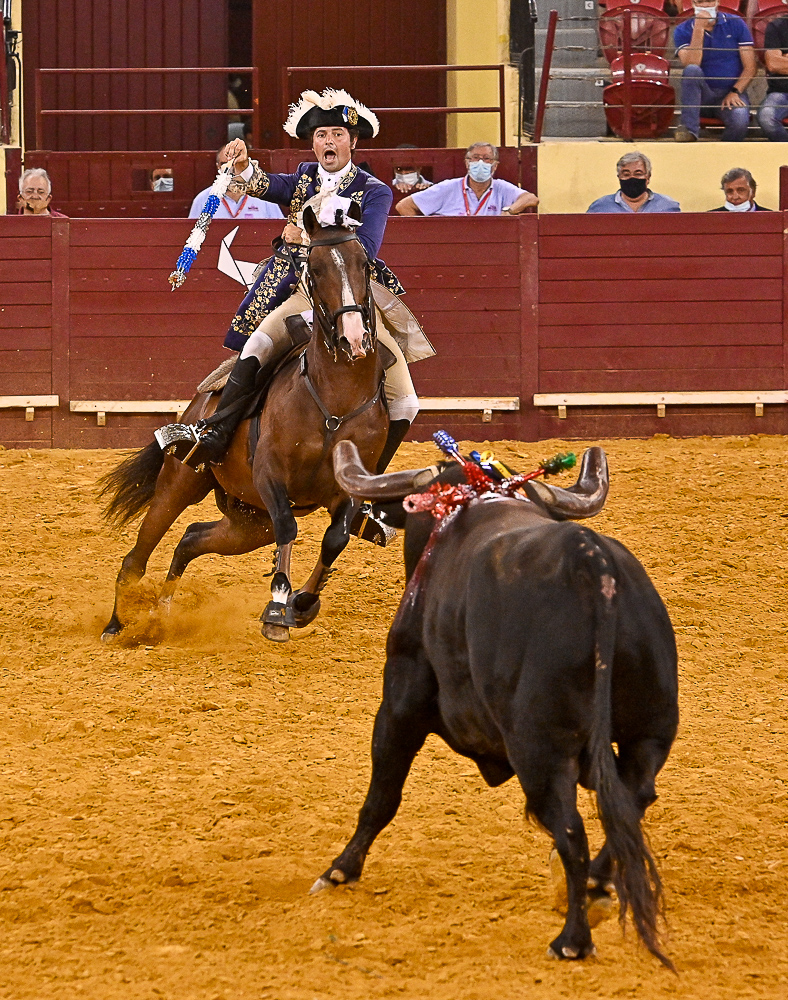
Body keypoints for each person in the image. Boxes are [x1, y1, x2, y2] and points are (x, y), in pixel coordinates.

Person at [188, 88, 431, 489]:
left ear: (353, 141)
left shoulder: (374, 190)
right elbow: (267, 185)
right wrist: (244, 167)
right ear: (313, 144)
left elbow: (365, 248)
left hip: (353, 295)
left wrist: (302, 233)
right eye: (321, 135)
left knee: (406, 402)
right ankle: (217, 432)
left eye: (337, 134)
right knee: (257, 345)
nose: (328, 141)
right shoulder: (304, 176)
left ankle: (370, 480)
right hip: (302, 289)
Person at [673, 0, 755, 142]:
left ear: (717, 2)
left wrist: (735, 91)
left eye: (709, 1)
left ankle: (725, 151)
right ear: (693, 4)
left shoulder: (736, 23)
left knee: (740, 120)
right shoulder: (682, 30)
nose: (705, 6)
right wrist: (698, 28)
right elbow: (692, 63)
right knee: (692, 70)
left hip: (729, 91)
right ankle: (689, 131)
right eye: (700, 2)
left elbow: (750, 67)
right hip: (701, 95)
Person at [395, 142, 538, 216]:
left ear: (495, 166)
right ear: (467, 163)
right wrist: (428, 236)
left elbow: (531, 199)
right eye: (475, 158)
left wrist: (509, 211)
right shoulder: (448, 187)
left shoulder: (501, 187)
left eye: (487, 159)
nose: (480, 162)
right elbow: (404, 206)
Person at [188, 149, 284, 220]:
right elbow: (192, 235)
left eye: (236, 164)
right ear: (218, 166)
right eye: (225, 164)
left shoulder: (265, 197)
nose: (230, 169)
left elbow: (279, 231)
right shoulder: (202, 199)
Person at [586, 152, 680, 213]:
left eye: (638, 174)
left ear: (648, 177)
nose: (632, 178)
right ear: (619, 177)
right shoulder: (599, 208)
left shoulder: (668, 207)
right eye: (626, 174)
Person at [757, 15, 788, 141]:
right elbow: (773, 64)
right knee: (766, 117)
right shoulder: (777, 26)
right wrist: (779, 62)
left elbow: (779, 64)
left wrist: (784, 59)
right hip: (782, 92)